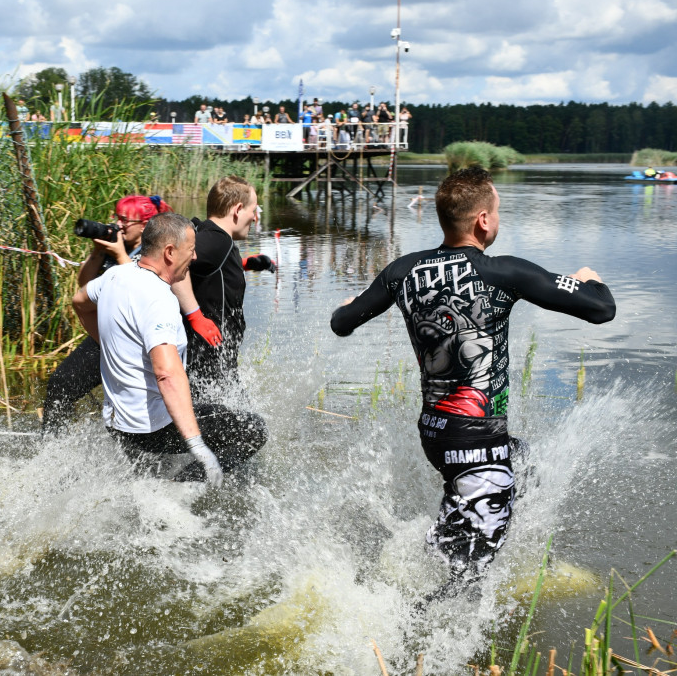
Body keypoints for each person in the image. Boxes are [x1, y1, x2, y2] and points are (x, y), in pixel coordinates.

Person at [329, 166, 616, 585]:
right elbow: (600, 309)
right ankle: (411, 630)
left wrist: (349, 303)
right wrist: (590, 279)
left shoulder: (401, 271)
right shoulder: (504, 272)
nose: (498, 219)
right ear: (483, 220)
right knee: (467, 575)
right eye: (497, 210)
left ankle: (520, 562)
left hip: (436, 431)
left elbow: (342, 322)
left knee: (526, 467)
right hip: (476, 439)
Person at [71, 212, 266, 485]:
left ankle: (160, 486)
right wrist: (197, 445)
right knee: (254, 429)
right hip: (152, 430)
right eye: (191, 250)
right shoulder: (158, 298)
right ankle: (182, 488)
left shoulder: (117, 275)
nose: (196, 257)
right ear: (170, 252)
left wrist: (108, 346)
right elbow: (166, 374)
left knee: (206, 407)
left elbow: (79, 301)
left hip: (117, 423)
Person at [42, 194, 172, 434]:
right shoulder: (113, 247)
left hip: (138, 342)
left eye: (126, 220)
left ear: (145, 226)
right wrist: (98, 252)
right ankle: (52, 443)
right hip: (105, 335)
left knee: (130, 408)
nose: (118, 225)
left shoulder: (153, 252)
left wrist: (121, 254)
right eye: (117, 217)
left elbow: (142, 291)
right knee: (61, 383)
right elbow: (84, 284)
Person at [173, 176, 275, 401]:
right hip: (209, 370)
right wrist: (195, 316)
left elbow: (203, 269)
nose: (255, 217)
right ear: (238, 209)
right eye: (254, 209)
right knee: (253, 430)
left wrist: (245, 264)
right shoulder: (218, 242)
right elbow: (173, 262)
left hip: (210, 365)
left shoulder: (208, 234)